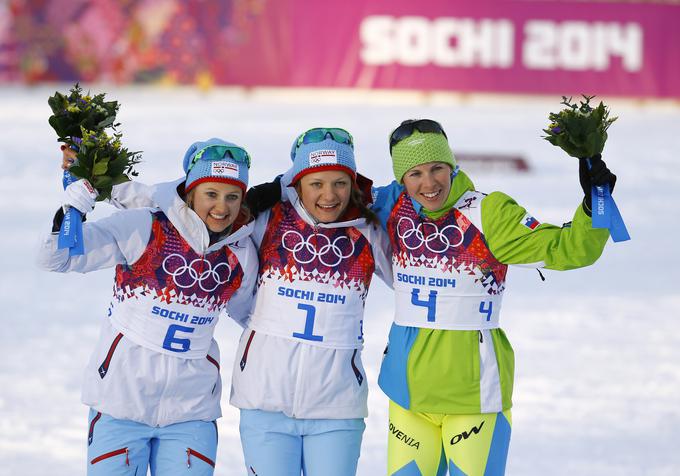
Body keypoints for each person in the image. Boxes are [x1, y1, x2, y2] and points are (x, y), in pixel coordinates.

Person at [370, 119, 615, 475]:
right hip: (408, 397)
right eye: (415, 173)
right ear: (401, 179)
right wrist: (271, 192)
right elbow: (327, 195)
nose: (429, 183)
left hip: (474, 399)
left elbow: (568, 250)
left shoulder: (488, 212)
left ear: (452, 166)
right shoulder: (391, 205)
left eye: (438, 168)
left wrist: (598, 204)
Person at [37, 138, 258, 475]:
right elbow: (58, 259)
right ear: (190, 192)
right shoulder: (144, 227)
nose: (221, 207)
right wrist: (69, 213)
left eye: (232, 196)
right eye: (211, 194)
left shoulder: (241, 253)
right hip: (119, 405)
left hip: (192, 413)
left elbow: (252, 314)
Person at [229, 128, 393, 476]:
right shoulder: (268, 218)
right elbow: (212, 236)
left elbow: (410, 277)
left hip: (337, 407)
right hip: (264, 400)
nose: (329, 195)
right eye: (316, 183)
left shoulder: (367, 231)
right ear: (297, 183)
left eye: (340, 183)